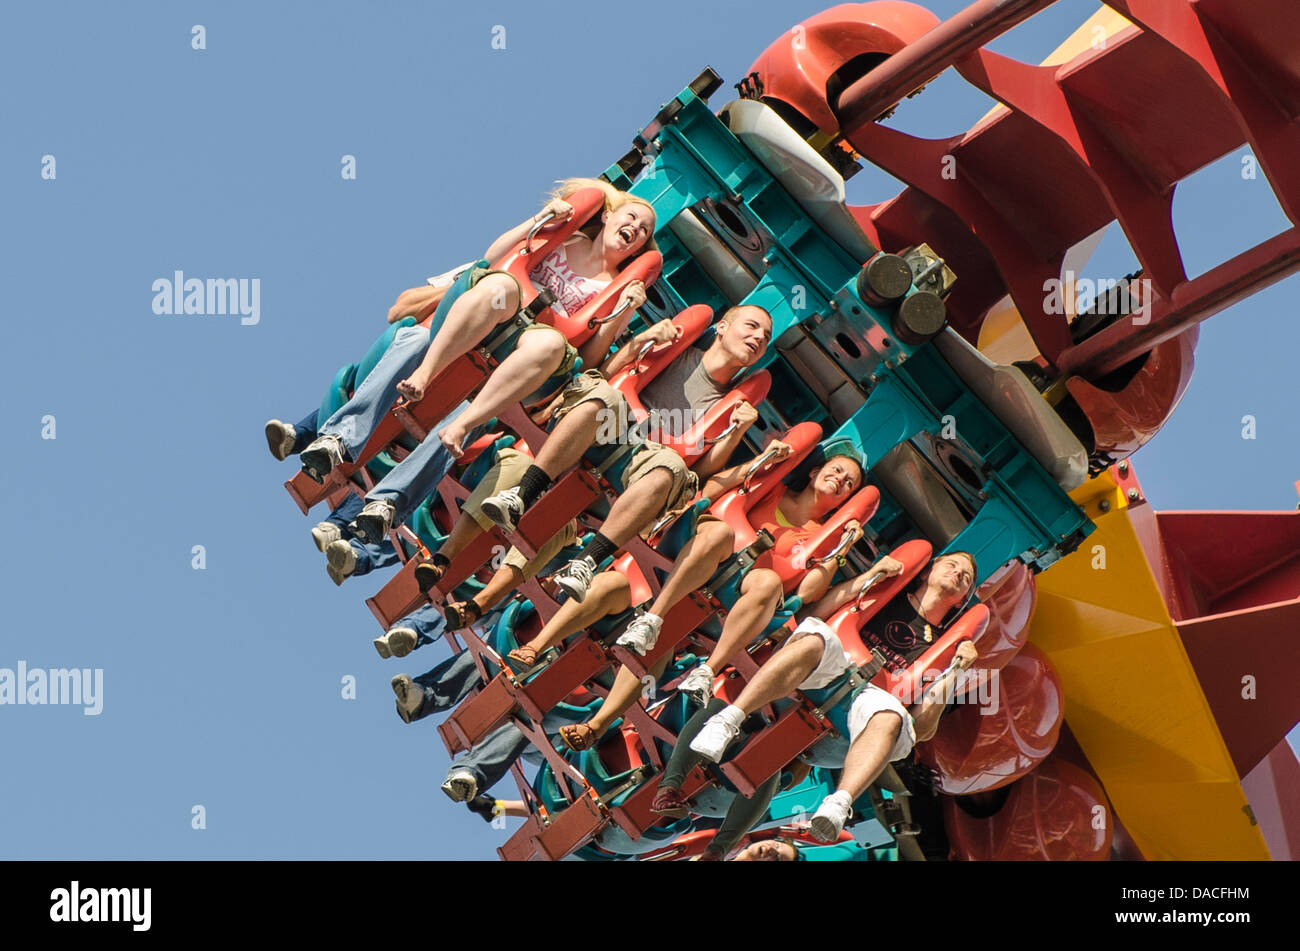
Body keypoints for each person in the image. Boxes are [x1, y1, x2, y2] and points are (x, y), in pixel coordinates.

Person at [415, 305, 773, 628]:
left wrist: (736, 431)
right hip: (605, 430)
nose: (758, 338)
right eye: (752, 326)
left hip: (639, 468)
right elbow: (607, 374)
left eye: (766, 337)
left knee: (667, 467)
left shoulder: (729, 404)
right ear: (723, 326)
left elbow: (702, 467)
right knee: (600, 401)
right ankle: (487, 522)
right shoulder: (676, 350)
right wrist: (640, 342)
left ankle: (492, 600)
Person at [293, 178, 656, 488]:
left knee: (483, 395)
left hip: (520, 357)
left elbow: (587, 359)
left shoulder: (615, 292)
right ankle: (334, 437)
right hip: (484, 322)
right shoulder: (563, 238)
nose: (636, 229)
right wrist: (542, 219)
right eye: (632, 218)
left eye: (644, 231)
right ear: (608, 216)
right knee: (416, 338)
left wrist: (625, 312)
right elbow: (494, 261)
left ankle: (387, 498)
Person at [521, 447, 866, 752]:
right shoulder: (772, 490)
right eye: (836, 470)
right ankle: (539, 645)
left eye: (849, 483)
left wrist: (840, 547)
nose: (840, 480)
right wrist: (759, 466)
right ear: (814, 471)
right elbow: (712, 491)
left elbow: (807, 593)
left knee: (766, 584)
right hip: (674, 572)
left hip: (723, 603)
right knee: (620, 581)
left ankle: (601, 722)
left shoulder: (821, 537)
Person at [680, 551, 978, 841]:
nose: (958, 574)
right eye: (952, 565)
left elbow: (921, 729)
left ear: (963, 599)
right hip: (837, 662)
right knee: (815, 637)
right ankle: (729, 719)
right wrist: (870, 577)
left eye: (966, 578)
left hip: (867, 701)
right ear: (927, 571)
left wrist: (954, 671)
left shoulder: (943, 648)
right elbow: (815, 614)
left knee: (893, 718)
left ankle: (839, 803)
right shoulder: (887, 592)